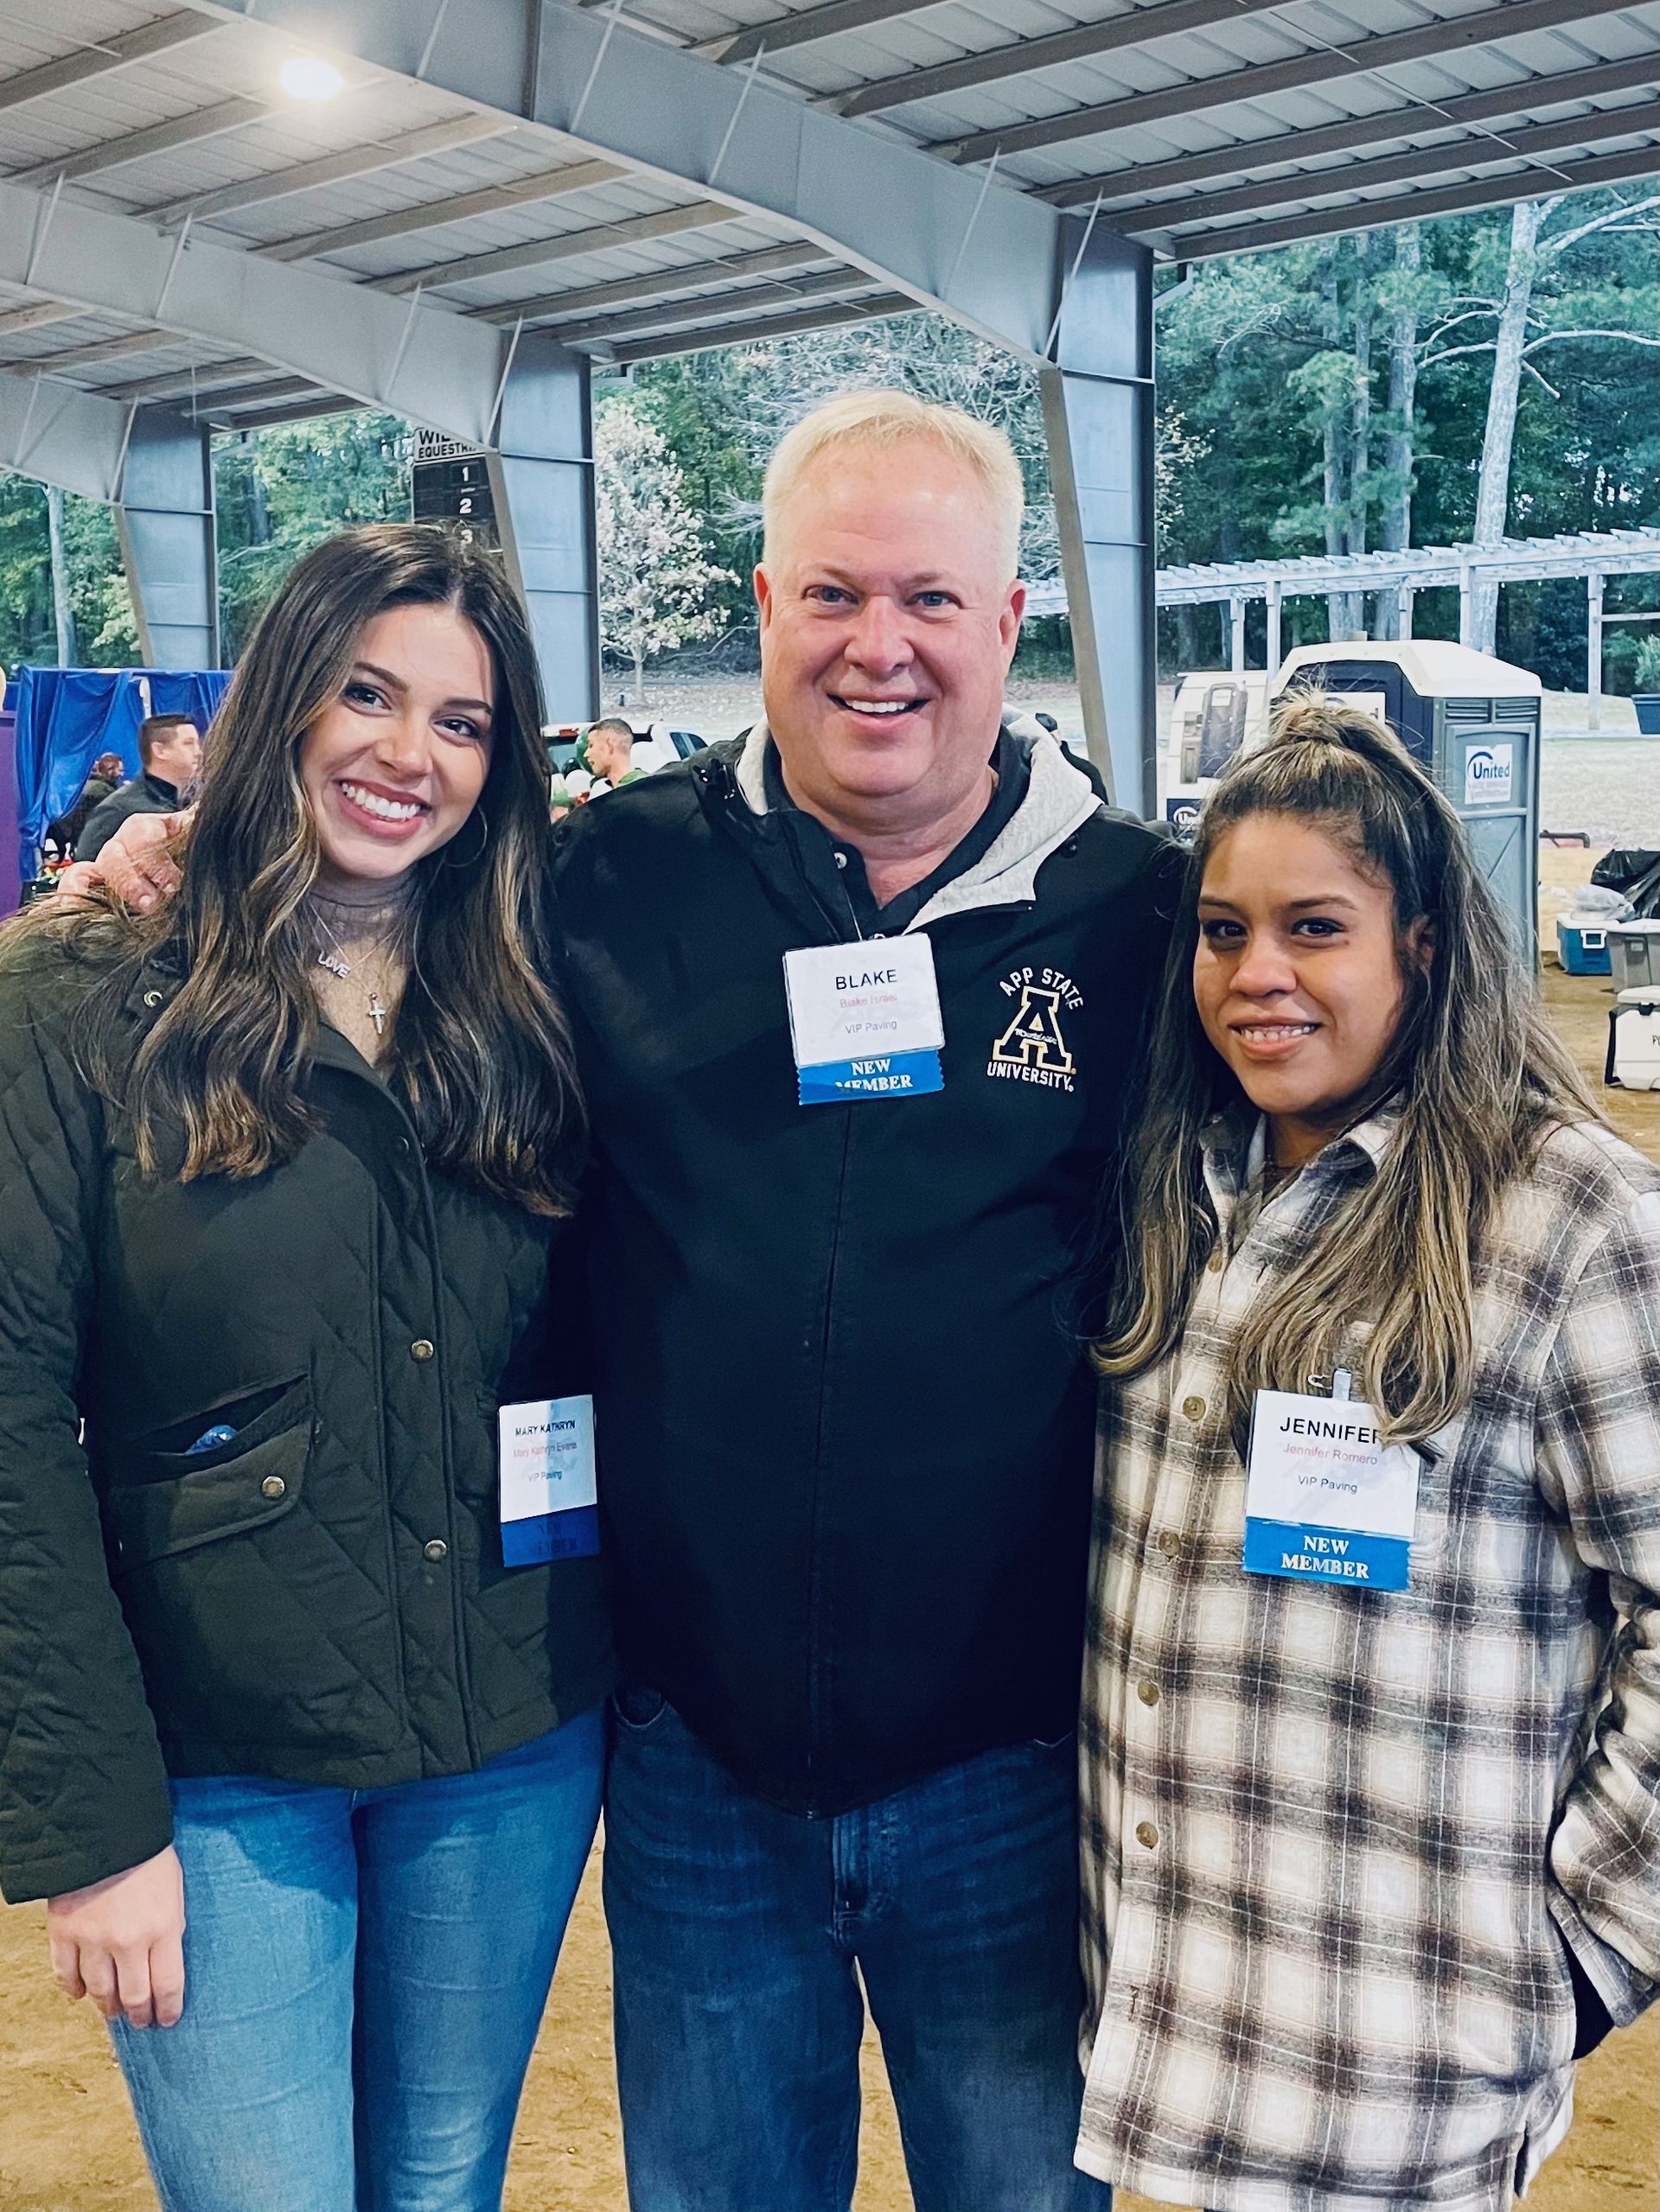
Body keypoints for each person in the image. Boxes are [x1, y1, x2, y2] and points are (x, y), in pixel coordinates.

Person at [86, 391, 1178, 2209]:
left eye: (928, 597)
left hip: (1013, 1766)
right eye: (833, 593)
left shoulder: (1143, 914)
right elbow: (357, 913)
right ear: (763, 605)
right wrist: (171, 868)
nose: (877, 644)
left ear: (1009, 619)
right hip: (694, 1771)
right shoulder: (599, 878)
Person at [0, 525, 610, 2212]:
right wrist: (91, 1821)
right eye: (366, 691)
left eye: (466, 721)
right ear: (282, 695)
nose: (409, 754)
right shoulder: (78, 990)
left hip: (505, 1726)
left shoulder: (534, 978)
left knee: (441, 2183)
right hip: (214, 1752)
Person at [1079, 692, 1660, 2211]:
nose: (1257, 975)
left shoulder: (1566, 1219)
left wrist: (1587, 1947)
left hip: (1400, 2079)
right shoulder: (1176, 1184)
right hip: (1170, 2037)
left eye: (1313, 927)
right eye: (1220, 930)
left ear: (1421, 941)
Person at [75, 714, 204, 861]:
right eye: (188, 743)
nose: (198, 752)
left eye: (197, 744)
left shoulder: (192, 805)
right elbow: (88, 869)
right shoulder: (118, 809)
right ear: (160, 750)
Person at [48, 749, 125, 856]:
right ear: (111, 770)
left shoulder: (89, 786)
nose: (122, 774)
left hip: (72, 840)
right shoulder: (103, 792)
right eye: (120, 770)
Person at [584, 716, 643, 791]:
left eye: (591, 745)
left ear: (609, 745)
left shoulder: (643, 788)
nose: (586, 754)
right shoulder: (602, 791)